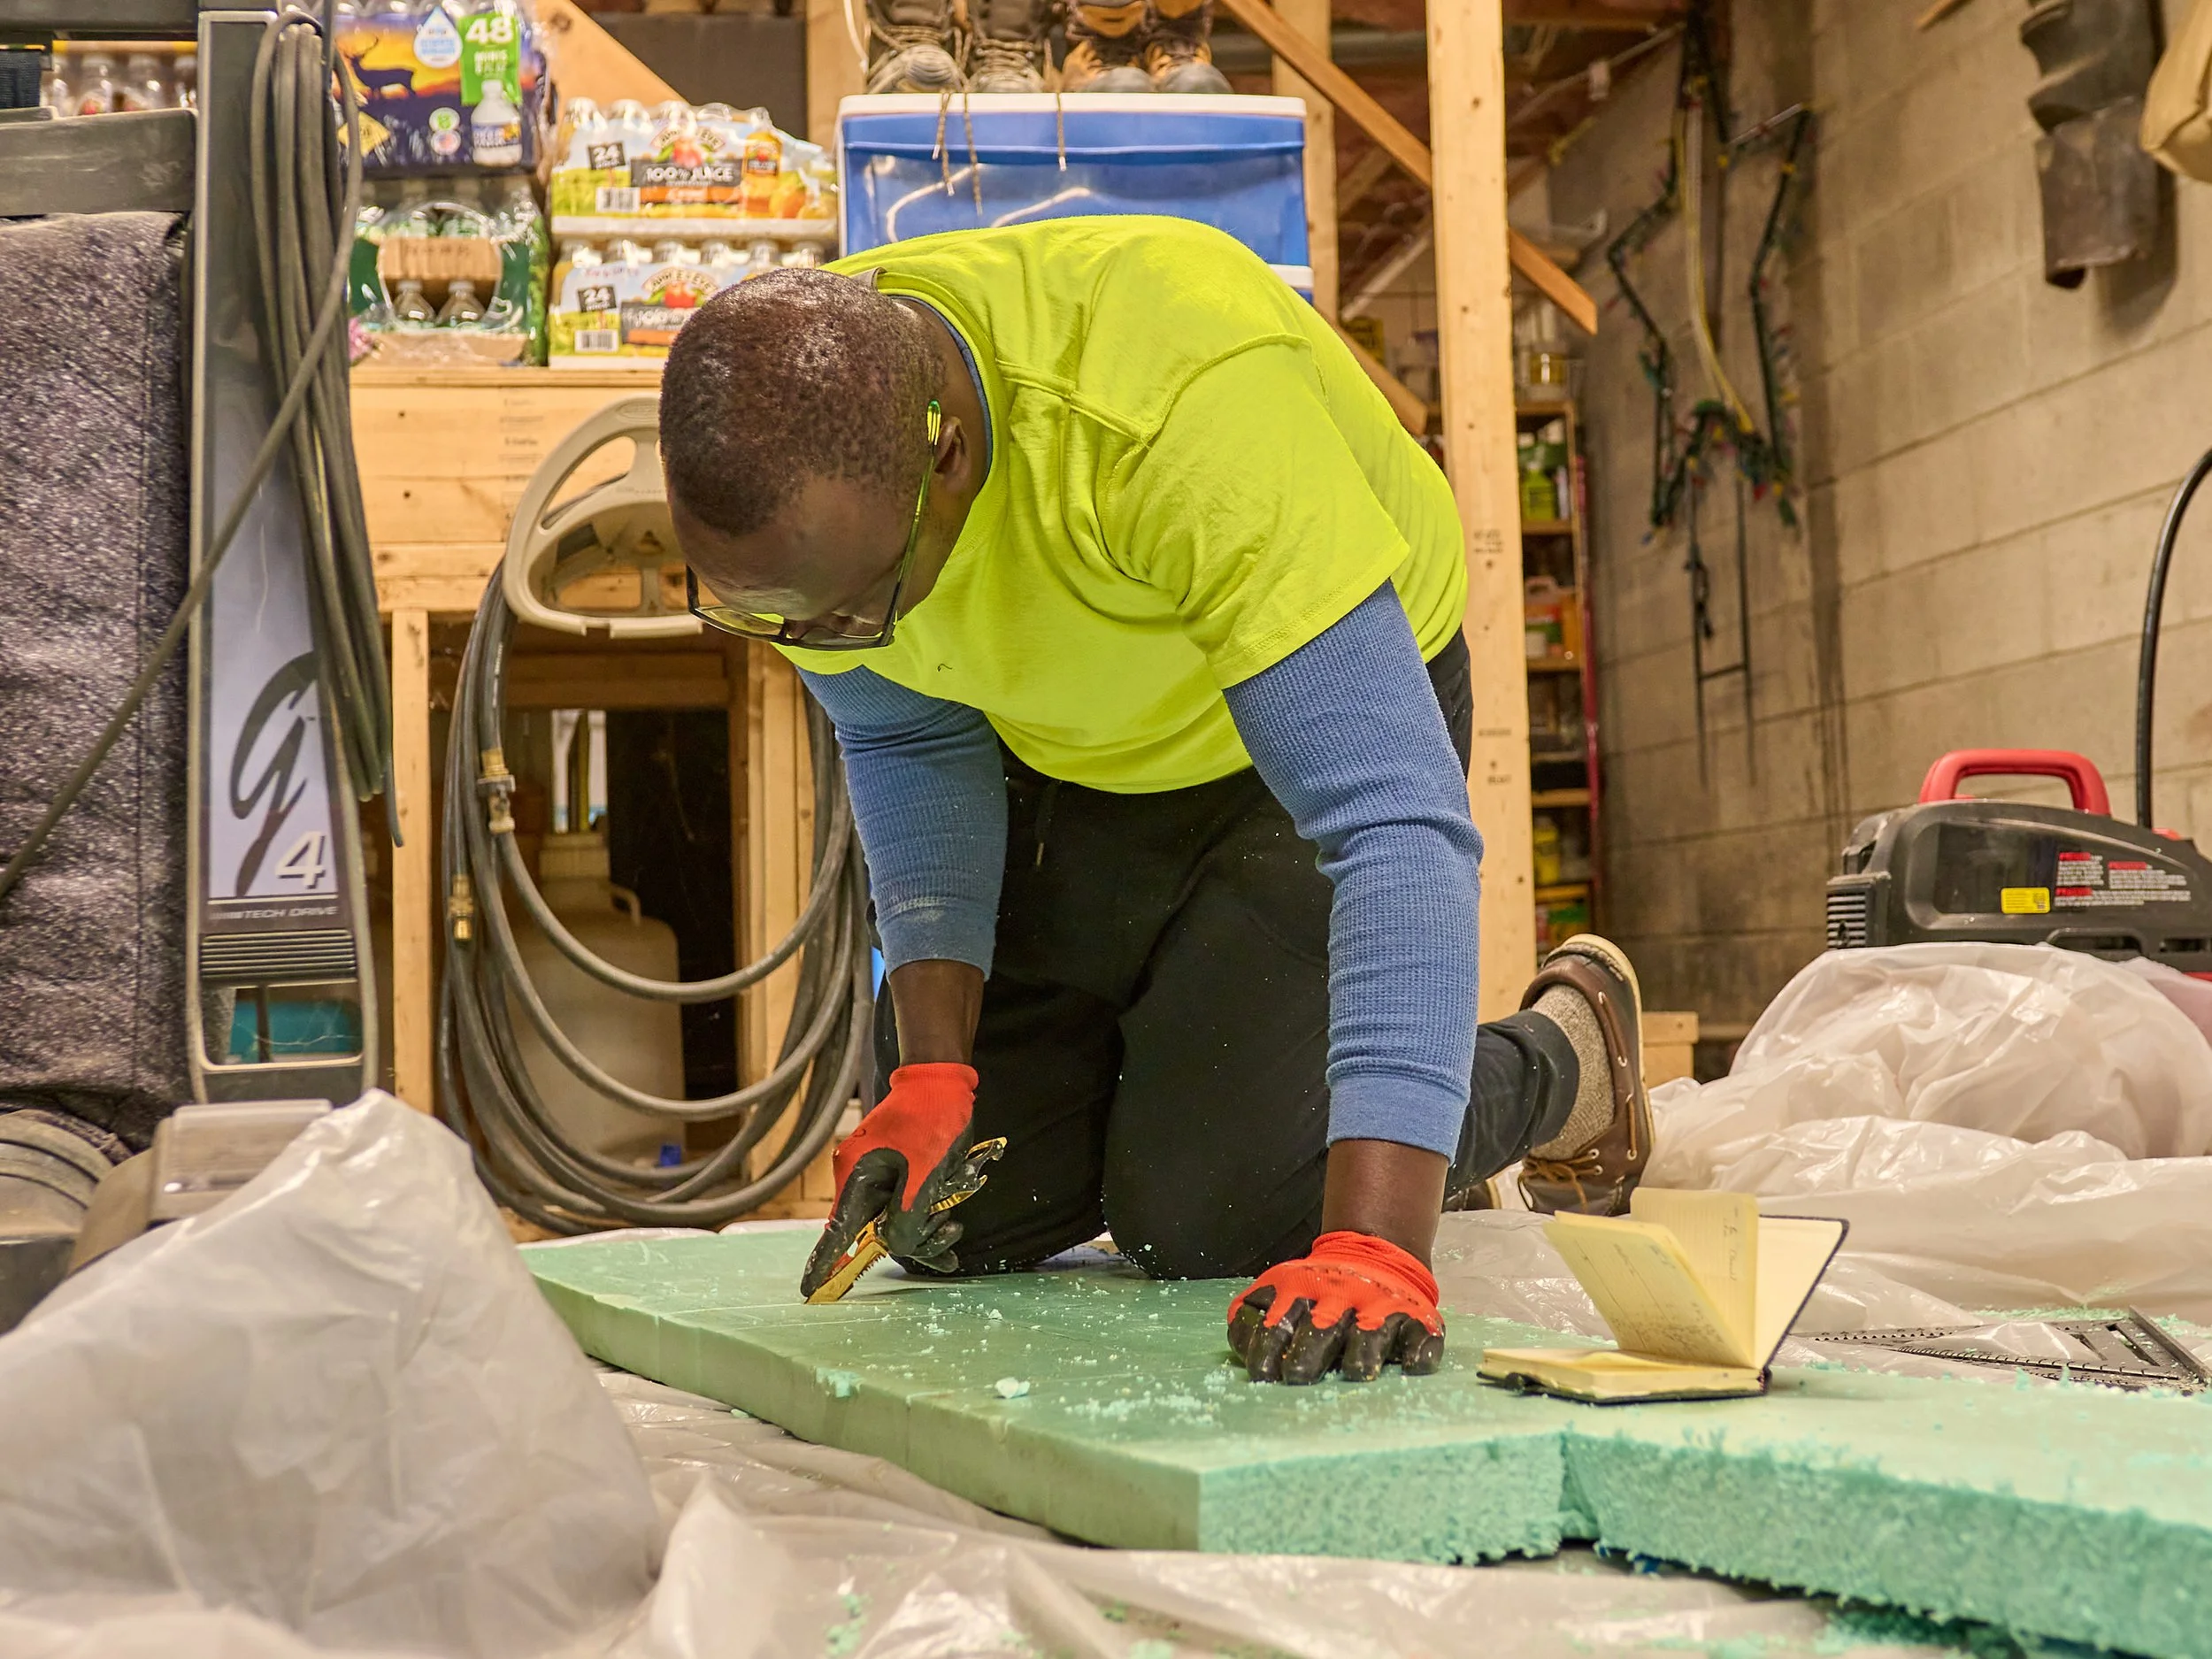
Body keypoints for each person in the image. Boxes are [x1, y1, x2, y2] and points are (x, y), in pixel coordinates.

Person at [657, 216, 1650, 1385]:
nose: (806, 645)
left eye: (837, 619)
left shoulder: (1177, 411)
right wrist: (931, 1072)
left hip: (1284, 753)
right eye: (761, 616)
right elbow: (908, 734)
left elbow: (1393, 822)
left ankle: (1563, 1058)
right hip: (1074, 742)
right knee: (949, 1222)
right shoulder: (810, 470)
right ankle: (1286, 1087)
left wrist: (1378, 1245)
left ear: (950, 461)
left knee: (1211, 1216)